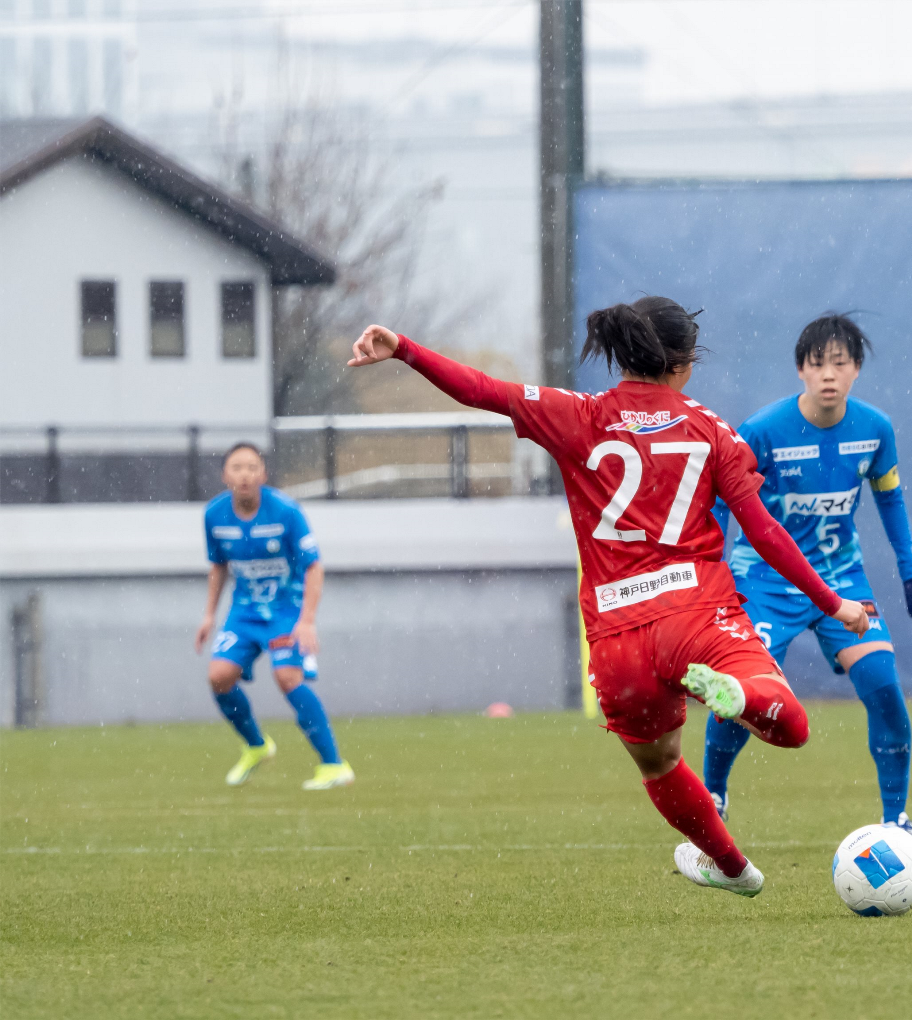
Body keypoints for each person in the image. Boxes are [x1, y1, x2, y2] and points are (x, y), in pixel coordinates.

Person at [348, 297, 869, 897]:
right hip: (696, 615)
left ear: (622, 354)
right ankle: (743, 694)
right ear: (685, 361)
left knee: (661, 764)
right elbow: (764, 531)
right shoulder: (710, 428)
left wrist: (405, 350)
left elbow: (481, 390)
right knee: (789, 723)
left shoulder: (579, 415)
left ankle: (733, 869)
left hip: (619, 639)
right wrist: (834, 603)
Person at [701, 315, 912, 846]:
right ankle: (714, 794)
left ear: (856, 370)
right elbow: (719, 500)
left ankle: (895, 820)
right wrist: (713, 572)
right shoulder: (762, 430)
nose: (828, 373)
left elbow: (890, 498)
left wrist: (910, 572)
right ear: (800, 370)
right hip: (764, 581)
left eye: (840, 362)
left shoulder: (876, 429)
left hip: (840, 579)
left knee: (884, 687)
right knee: (745, 695)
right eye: (816, 363)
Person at [194, 443, 354, 791]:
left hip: (287, 611)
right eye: (237, 467)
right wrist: (209, 615)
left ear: (264, 474)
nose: (245, 474)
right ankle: (256, 746)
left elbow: (314, 566)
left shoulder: (285, 511)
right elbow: (218, 565)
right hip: (245, 612)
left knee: (287, 677)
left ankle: (334, 765)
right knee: (219, 677)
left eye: (252, 467)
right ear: (225, 475)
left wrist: (307, 620)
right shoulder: (214, 515)